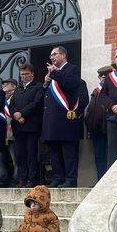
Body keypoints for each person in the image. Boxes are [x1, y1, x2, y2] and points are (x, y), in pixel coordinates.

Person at [41, 46, 84, 187]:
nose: (51, 57)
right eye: (50, 55)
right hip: (51, 120)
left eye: (54, 54)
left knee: (68, 151)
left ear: (63, 55)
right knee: (54, 151)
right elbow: (46, 97)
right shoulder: (53, 74)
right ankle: (58, 177)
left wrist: (55, 74)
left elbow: (70, 85)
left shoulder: (72, 69)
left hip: (66, 119)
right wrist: (45, 84)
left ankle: (71, 179)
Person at [9, 63, 44, 188]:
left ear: (32, 74)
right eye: (22, 74)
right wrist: (16, 115)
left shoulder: (38, 86)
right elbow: (11, 105)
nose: (24, 77)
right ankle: (22, 179)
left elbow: (37, 103)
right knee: (20, 155)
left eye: (27, 74)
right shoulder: (18, 89)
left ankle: (31, 179)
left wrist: (22, 113)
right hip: (18, 127)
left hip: (31, 126)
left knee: (31, 154)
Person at [85, 65, 112, 181]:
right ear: (99, 77)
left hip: (111, 127)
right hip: (97, 129)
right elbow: (90, 111)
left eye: (108, 77)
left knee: (113, 156)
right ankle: (101, 181)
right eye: (103, 77)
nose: (105, 80)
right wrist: (90, 128)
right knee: (99, 157)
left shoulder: (113, 90)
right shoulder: (95, 91)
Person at [0, 77, 18, 188]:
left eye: (7, 84)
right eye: (3, 84)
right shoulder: (1, 99)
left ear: (14, 86)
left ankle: (15, 180)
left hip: (13, 132)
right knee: (2, 160)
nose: (4, 86)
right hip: (1, 134)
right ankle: (3, 180)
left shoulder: (16, 97)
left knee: (15, 159)